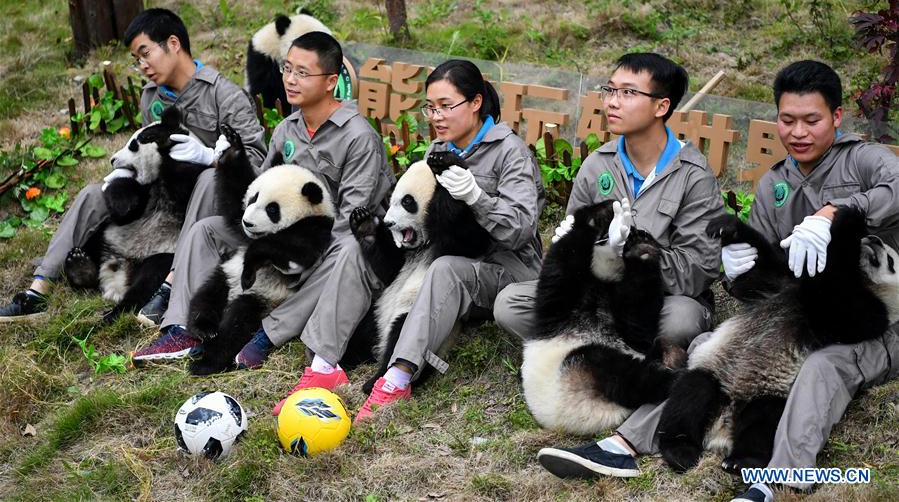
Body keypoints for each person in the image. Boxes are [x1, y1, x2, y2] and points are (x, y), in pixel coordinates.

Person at [539, 60, 899, 502]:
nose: (798, 132)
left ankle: (782, 477)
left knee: (823, 368)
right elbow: (762, 283)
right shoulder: (775, 183)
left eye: (812, 120)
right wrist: (739, 268)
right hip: (797, 312)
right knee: (707, 348)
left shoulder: (866, 160)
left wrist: (838, 213)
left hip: (875, 321)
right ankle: (626, 443)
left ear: (837, 117)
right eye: (787, 120)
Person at [271, 59, 545, 422]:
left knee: (446, 269)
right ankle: (324, 364)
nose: (437, 116)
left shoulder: (510, 152)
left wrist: (477, 198)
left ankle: (398, 376)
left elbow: (521, 229)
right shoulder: (436, 149)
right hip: (438, 256)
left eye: (447, 106)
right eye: (431, 107)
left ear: (476, 103)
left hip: (502, 267)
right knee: (359, 248)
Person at [129, 31, 395, 367]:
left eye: (302, 73)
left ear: (330, 81)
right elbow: (256, 195)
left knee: (348, 247)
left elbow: (349, 222)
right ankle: (181, 327)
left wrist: (298, 255)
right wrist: (231, 163)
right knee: (205, 231)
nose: (290, 80)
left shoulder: (358, 138)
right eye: (287, 69)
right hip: (279, 242)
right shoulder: (287, 129)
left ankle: (269, 333)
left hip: (329, 250)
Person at [0, 8, 265, 322]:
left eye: (145, 54)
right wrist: (125, 174)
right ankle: (38, 289)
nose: (142, 66)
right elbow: (146, 159)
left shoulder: (225, 96)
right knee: (92, 194)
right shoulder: (151, 97)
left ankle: (170, 287)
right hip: (159, 209)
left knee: (209, 179)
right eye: (136, 59)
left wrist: (210, 157)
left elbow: (257, 167)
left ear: (173, 43)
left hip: (204, 210)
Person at [494, 52, 722, 352]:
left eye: (628, 92)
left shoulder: (693, 176)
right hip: (599, 294)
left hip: (659, 299)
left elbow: (697, 270)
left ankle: (590, 346)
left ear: (661, 105)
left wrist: (632, 253)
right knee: (510, 304)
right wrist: (576, 249)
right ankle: (612, 348)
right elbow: (570, 254)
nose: (612, 102)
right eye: (610, 90)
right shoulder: (597, 165)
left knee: (681, 320)